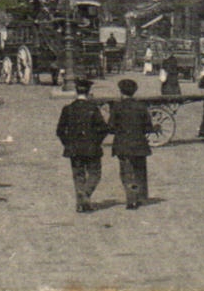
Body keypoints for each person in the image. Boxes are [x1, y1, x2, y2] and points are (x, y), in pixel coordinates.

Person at [55, 77, 110, 211]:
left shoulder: (68, 109)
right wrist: (97, 142)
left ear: (76, 92)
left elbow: (60, 131)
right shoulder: (93, 108)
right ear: (88, 92)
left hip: (74, 149)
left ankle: (81, 203)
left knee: (78, 175)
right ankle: (85, 196)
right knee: (95, 174)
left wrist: (67, 143)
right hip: (92, 148)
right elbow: (103, 129)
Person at [110, 78, 153, 209]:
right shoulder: (141, 107)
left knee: (127, 172)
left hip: (122, 145)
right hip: (139, 144)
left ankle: (131, 199)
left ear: (121, 92)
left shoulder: (117, 107)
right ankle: (140, 197)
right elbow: (148, 128)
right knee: (140, 171)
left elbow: (111, 127)